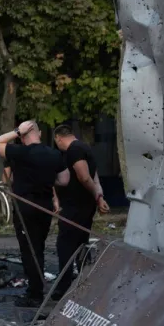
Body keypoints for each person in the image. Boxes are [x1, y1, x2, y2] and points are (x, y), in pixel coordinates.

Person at [0, 121, 71, 307]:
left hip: (25, 206)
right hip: (44, 206)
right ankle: (37, 289)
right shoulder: (54, 154)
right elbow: (64, 180)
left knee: (29, 250)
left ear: (22, 135)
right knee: (38, 247)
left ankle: (35, 294)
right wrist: (46, 182)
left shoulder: (20, 152)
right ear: (39, 133)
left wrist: (16, 131)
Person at [51, 124, 110, 299]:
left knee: (65, 245)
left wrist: (96, 196)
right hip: (85, 205)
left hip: (75, 206)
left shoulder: (74, 150)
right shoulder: (85, 148)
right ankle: (84, 282)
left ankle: (64, 286)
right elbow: (95, 177)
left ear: (58, 138)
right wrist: (99, 196)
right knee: (81, 242)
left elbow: (84, 177)